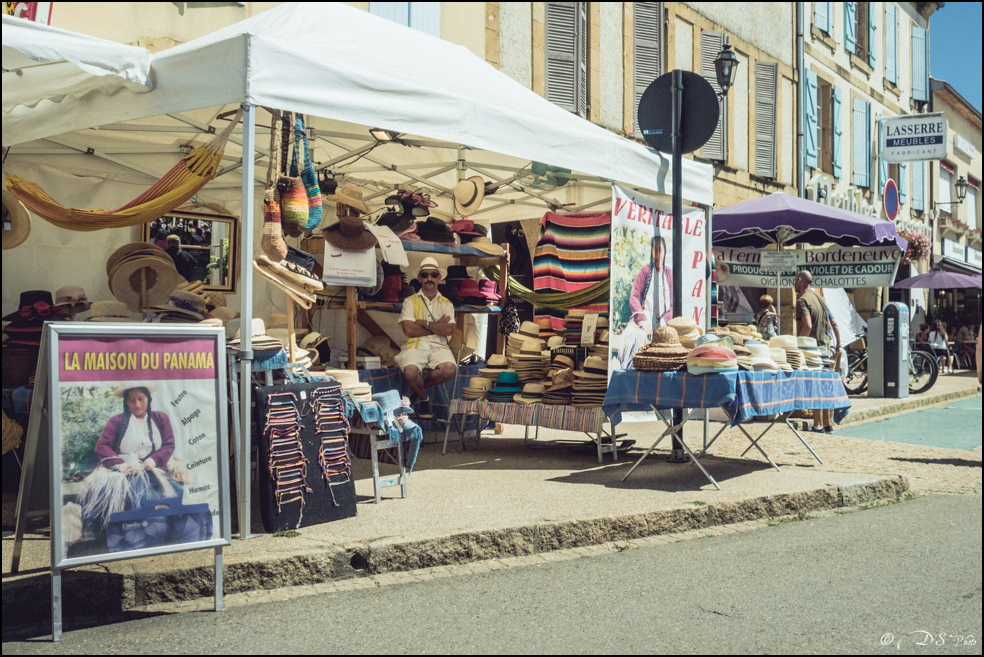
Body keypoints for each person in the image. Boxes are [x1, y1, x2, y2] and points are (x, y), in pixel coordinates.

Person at [71, 386, 181, 544]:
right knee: (136, 495)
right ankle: (133, 534)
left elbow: (169, 445)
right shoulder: (117, 421)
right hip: (124, 470)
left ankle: (161, 533)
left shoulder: (160, 418)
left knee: (176, 493)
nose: (137, 404)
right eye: (132, 400)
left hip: (153, 469)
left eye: (141, 399)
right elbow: (102, 446)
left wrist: (153, 460)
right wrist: (120, 464)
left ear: (148, 399)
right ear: (126, 403)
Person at [396, 258, 457, 419]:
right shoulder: (410, 301)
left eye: (433, 274)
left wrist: (423, 323)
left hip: (440, 347)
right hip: (416, 345)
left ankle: (417, 391)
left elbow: (448, 329)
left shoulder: (447, 303)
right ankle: (424, 398)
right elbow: (408, 329)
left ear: (439, 278)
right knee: (410, 372)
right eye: (425, 275)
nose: (429, 278)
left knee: (450, 369)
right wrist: (436, 327)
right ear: (419, 278)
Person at [795, 271, 841, 433]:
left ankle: (818, 424)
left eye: (795, 280)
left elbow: (807, 325)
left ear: (800, 280)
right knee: (825, 386)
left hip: (811, 349)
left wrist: (798, 344)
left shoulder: (802, 300)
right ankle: (827, 424)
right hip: (824, 347)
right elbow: (831, 324)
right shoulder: (820, 299)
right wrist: (838, 342)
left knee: (815, 386)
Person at [619, 236, 675, 369]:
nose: (657, 254)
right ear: (651, 252)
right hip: (644, 321)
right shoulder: (645, 271)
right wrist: (643, 322)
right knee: (633, 339)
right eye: (654, 250)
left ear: (665, 252)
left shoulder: (669, 274)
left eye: (660, 250)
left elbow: (674, 304)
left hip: (664, 322)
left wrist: (661, 323)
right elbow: (634, 296)